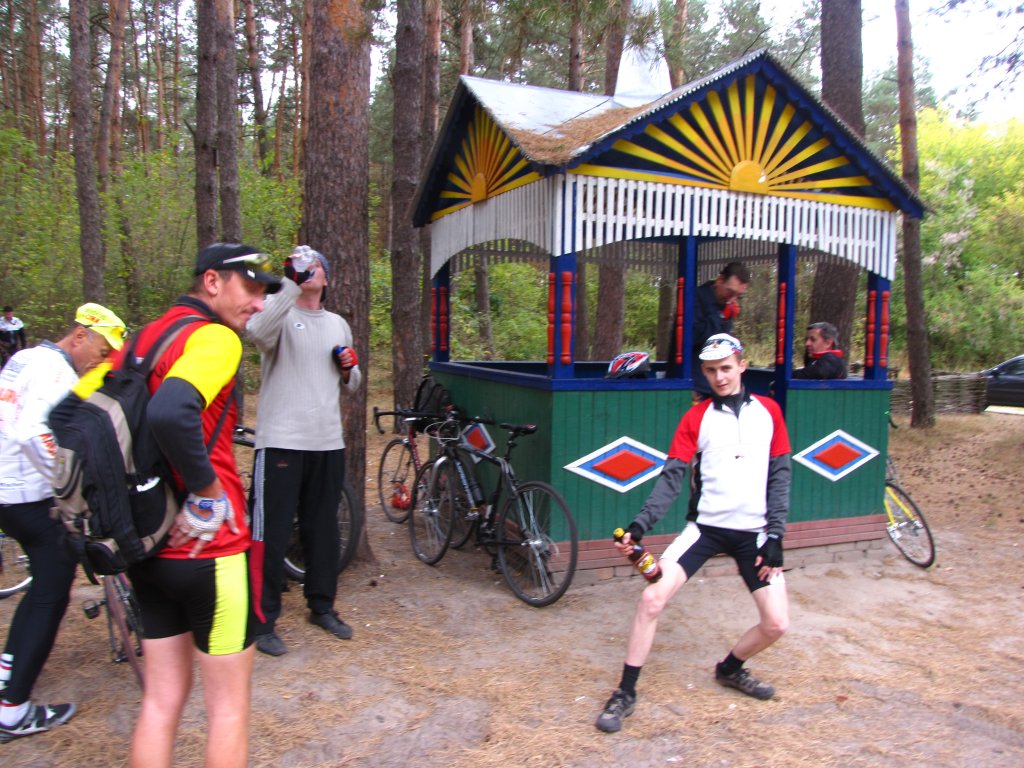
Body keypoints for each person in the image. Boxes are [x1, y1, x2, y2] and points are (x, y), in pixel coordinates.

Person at [76, 243, 279, 768]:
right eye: (250, 288)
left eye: (264, 293)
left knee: (161, 700)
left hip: (148, 544)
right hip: (212, 549)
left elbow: (74, 417)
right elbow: (170, 411)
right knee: (228, 708)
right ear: (212, 281)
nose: (259, 303)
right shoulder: (215, 338)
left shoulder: (141, 339)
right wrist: (207, 492)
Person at [595, 332, 791, 734]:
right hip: (705, 530)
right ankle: (625, 693)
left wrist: (776, 536)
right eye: (711, 370)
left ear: (742, 365)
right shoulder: (695, 418)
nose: (720, 377)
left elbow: (781, 475)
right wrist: (639, 526)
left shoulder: (769, 411)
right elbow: (670, 480)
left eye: (726, 368)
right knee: (652, 598)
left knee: (776, 624)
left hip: (754, 533)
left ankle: (730, 669)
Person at [0, 303, 127, 742]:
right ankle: (13, 709)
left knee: (43, 586)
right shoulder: (56, 372)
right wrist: (67, 482)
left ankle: (6, 673)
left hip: (8, 492)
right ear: (79, 335)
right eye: (101, 350)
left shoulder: (24, 358)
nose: (100, 360)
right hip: (28, 495)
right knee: (51, 592)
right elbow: (32, 432)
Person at [246, 245, 361, 657]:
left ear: (326, 277)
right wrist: (289, 284)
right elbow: (257, 333)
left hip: (326, 441)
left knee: (324, 530)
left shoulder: (337, 324)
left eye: (315, 266)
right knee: (270, 533)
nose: (308, 270)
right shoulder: (278, 313)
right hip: (281, 440)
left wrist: (348, 369)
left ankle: (322, 606)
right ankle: (261, 622)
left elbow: (354, 383)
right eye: (301, 266)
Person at [691, 261, 750, 396]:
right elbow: (692, 336)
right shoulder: (695, 298)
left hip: (717, 385)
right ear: (720, 280)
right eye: (730, 292)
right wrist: (721, 316)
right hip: (694, 383)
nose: (733, 299)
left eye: (738, 296)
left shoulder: (726, 305)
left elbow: (724, 341)